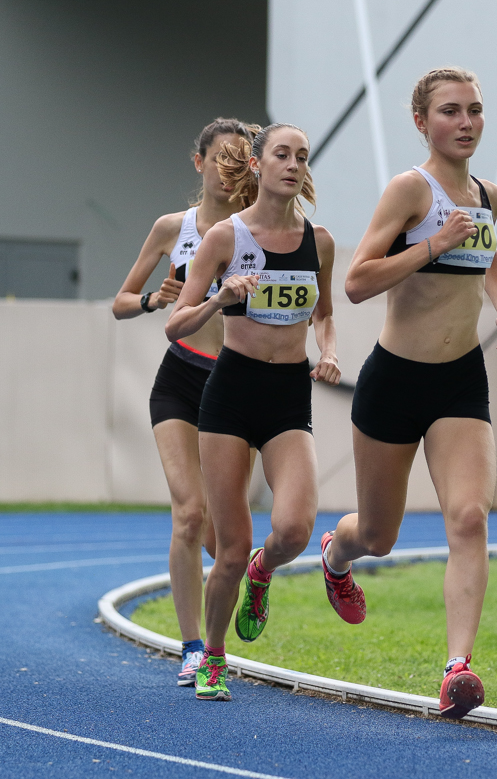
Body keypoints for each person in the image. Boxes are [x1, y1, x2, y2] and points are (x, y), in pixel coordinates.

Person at [318, 67, 497, 718]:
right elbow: (356, 281)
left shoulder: (489, 196)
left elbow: (487, 251)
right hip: (396, 380)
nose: (466, 122)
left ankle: (458, 668)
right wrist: (433, 244)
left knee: (469, 518)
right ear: (421, 122)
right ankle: (337, 554)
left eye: (475, 110)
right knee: (379, 535)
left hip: (460, 380)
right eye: (450, 111)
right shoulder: (410, 189)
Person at [166, 123, 341, 701]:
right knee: (229, 549)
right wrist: (220, 297)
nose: (292, 164)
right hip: (231, 394)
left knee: (294, 528)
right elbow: (176, 323)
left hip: (288, 394)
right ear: (258, 165)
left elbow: (324, 313)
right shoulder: (226, 237)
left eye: (301, 157)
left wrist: (329, 350)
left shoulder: (320, 241)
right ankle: (214, 657)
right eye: (282, 154)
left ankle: (263, 573)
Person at [112, 117, 255, 687]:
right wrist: (154, 299)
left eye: (240, 159)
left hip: (237, 384)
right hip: (181, 379)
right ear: (199, 162)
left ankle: (248, 589)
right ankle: (193, 647)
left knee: (227, 539)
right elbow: (121, 301)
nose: (229, 170)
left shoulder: (258, 228)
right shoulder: (173, 227)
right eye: (220, 157)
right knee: (189, 513)